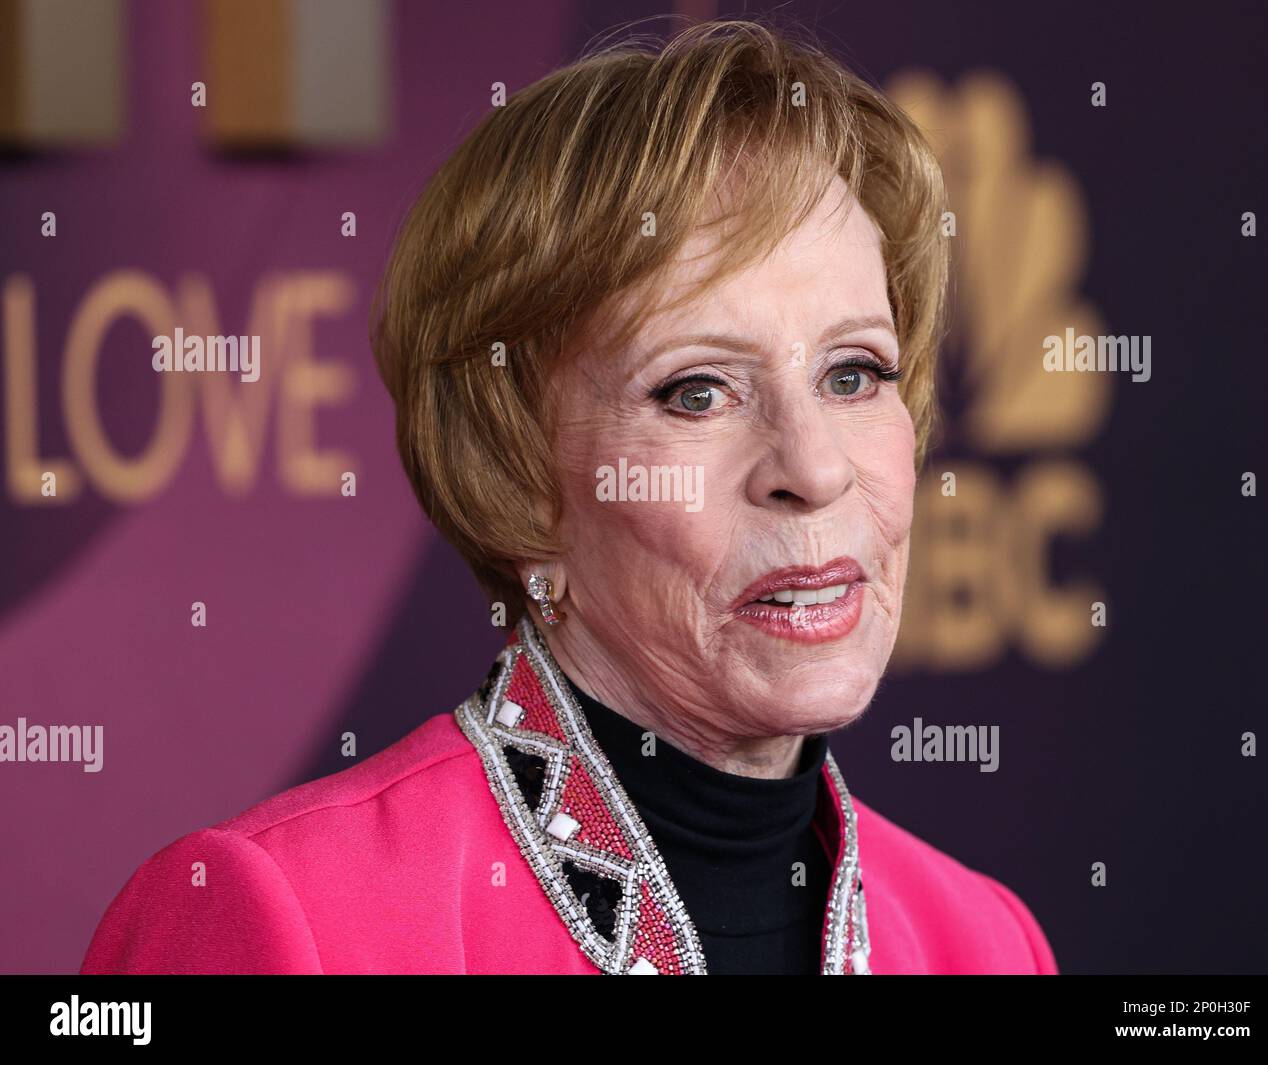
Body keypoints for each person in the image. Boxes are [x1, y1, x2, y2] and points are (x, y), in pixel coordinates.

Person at [81, 18, 1056, 975]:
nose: (813, 468)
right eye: (697, 391)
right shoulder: (285, 917)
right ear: (517, 478)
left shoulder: (984, 940)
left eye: (852, 375)